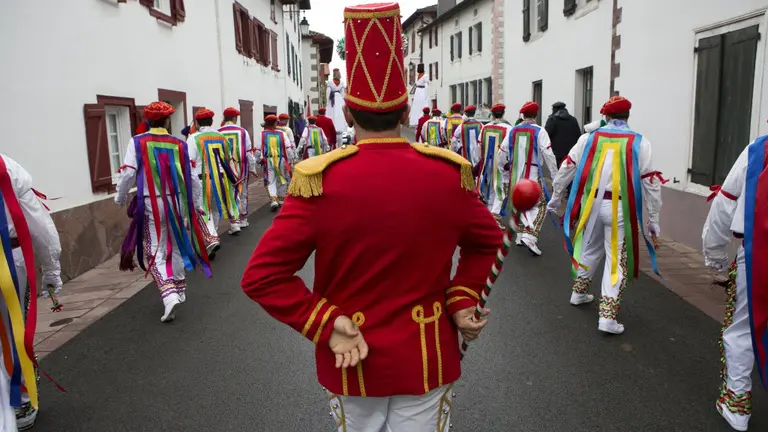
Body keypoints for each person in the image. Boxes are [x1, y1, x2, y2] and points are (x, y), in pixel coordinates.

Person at [241, 3, 502, 431]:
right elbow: (487, 240)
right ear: (406, 114)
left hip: (349, 358)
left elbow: (261, 278)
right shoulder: (446, 174)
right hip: (427, 357)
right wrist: (462, 297)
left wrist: (326, 324)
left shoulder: (317, 181)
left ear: (346, 113)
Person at [546, 96, 662, 335]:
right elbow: (651, 183)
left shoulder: (588, 138)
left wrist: (556, 198)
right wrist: (653, 219)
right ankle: (607, 317)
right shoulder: (640, 143)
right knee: (615, 258)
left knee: (590, 247)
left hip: (592, 205)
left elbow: (567, 167)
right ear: (627, 116)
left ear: (607, 116)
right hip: (620, 208)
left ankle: (579, 293)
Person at [115, 102, 210, 323]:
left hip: (150, 203)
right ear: (167, 121)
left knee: (155, 250)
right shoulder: (179, 143)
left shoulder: (137, 142)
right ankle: (179, 288)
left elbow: (128, 173)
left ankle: (169, 296)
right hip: (176, 200)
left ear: (148, 120)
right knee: (176, 244)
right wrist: (196, 204)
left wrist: (119, 198)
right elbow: (192, 176)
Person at [702, 134, 768, 432]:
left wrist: (715, 257)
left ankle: (737, 405)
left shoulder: (759, 149)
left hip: (759, 257)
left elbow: (725, 203)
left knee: (741, 329)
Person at [0, 153, 63, 430]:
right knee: (14, 328)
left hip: (9, 261)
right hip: (8, 263)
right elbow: (39, 223)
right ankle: (20, 401)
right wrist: (51, 270)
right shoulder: (7, 166)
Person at [497, 102, 557, 256]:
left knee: (520, 202)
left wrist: (503, 169)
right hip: (532, 173)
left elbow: (502, 152)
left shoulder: (513, 131)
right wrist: (554, 175)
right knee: (540, 204)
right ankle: (530, 236)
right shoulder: (540, 131)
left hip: (515, 173)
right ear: (536, 115)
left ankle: (520, 236)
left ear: (523, 115)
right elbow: (548, 154)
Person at [188, 108, 241, 249]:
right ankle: (214, 234)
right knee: (216, 208)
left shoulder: (193, 138)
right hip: (221, 178)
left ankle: (211, 238)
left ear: (197, 123)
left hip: (201, 180)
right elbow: (229, 160)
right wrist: (234, 178)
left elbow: (189, 161)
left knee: (203, 209)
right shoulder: (221, 137)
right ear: (211, 121)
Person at [475, 103, 514, 229]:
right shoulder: (508, 128)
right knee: (501, 188)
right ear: (503, 113)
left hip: (487, 162)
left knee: (490, 187)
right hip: (501, 163)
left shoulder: (485, 127)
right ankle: (495, 215)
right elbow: (510, 147)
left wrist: (480, 160)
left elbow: (479, 145)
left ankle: (488, 214)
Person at [219, 107, 257, 229]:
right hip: (241, 167)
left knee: (229, 192)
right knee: (243, 191)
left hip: (225, 169)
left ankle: (234, 222)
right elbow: (248, 151)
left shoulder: (218, 132)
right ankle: (243, 219)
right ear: (234, 118)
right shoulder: (242, 131)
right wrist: (253, 168)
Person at [255, 114, 295, 211]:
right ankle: (281, 199)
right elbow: (289, 148)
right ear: (275, 123)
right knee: (283, 179)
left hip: (268, 160)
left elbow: (257, 150)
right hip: (281, 159)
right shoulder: (282, 134)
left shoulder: (262, 134)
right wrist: (290, 160)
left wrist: (258, 160)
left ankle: (274, 200)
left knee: (271, 180)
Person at [545, 102, 582, 167]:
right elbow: (578, 136)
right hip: (571, 154)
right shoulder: (573, 120)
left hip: (556, 154)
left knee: (557, 175)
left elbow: (546, 136)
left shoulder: (552, 120)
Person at [326, 68, 347, 144]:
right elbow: (343, 95)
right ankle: (338, 127)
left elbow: (328, 93)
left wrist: (327, 101)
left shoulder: (332, 83)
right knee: (337, 114)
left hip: (335, 100)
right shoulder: (337, 83)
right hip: (336, 100)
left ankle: (337, 127)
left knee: (336, 114)